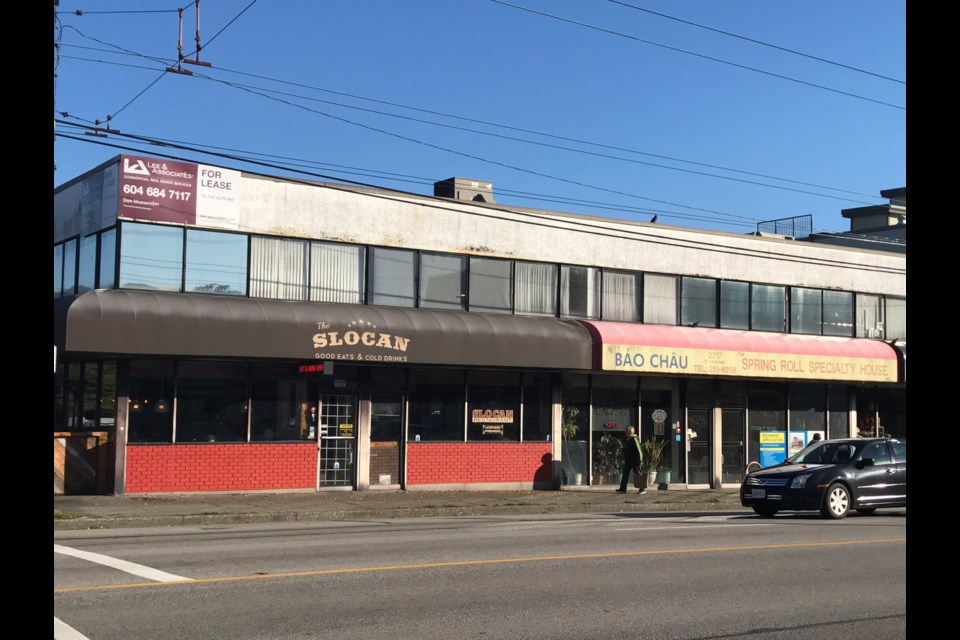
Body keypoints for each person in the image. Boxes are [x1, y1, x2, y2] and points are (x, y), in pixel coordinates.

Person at [617, 426, 644, 493]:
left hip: (635, 461)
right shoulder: (628, 440)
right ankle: (623, 489)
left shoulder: (634, 439)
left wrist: (640, 460)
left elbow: (639, 450)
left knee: (638, 474)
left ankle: (642, 489)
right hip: (629, 460)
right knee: (625, 474)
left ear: (630, 432)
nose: (625, 433)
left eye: (626, 432)